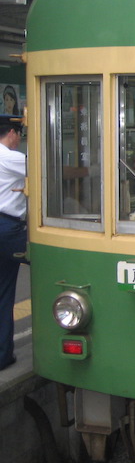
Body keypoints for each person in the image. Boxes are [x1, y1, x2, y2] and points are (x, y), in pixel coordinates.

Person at [0, 114, 26, 371]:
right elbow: (48, 170)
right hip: (7, 229)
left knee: (3, 292)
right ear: (11, 133)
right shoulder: (10, 157)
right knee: (50, 259)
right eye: (19, 135)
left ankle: (3, 355)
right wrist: (90, 170)